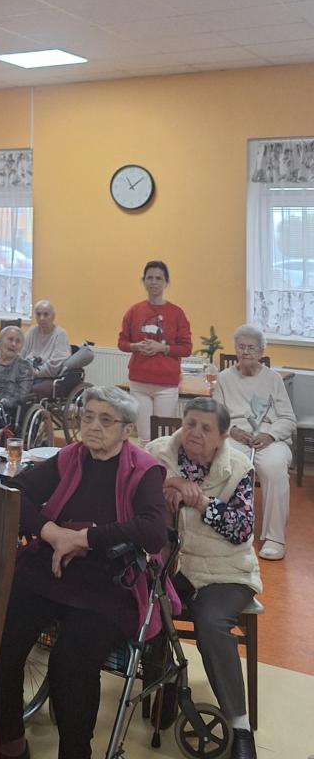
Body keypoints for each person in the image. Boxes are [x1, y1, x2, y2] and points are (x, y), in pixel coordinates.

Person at [0, 386, 168, 759]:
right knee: (0, 638)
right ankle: (10, 742)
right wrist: (52, 533)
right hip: (51, 569)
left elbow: (154, 531)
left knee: (71, 661)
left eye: (106, 420)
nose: (93, 426)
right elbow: (13, 490)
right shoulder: (70, 456)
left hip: (109, 582)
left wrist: (86, 538)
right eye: (87, 417)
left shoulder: (143, 469)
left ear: (127, 430)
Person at [146, 398, 261, 759]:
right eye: (190, 423)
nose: (194, 433)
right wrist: (165, 487)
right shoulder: (156, 454)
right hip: (173, 564)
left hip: (226, 570)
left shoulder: (238, 467)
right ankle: (165, 687)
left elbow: (241, 530)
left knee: (211, 622)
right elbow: (130, 501)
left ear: (223, 436)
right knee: (149, 603)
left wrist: (200, 502)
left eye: (206, 428)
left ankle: (240, 727)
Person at [212, 325, 295, 560]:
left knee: (274, 467)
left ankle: (274, 538)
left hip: (269, 436)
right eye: (241, 347)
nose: (246, 352)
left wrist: (271, 435)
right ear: (235, 349)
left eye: (251, 348)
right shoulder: (224, 378)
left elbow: (288, 418)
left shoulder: (273, 378)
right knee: (225, 464)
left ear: (261, 352)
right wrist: (232, 430)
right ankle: (226, 529)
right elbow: (215, 415)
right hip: (235, 435)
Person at [118, 260, 192, 444]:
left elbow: (186, 348)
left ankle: (161, 464)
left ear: (166, 282)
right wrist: (136, 346)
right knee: (144, 437)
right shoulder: (133, 311)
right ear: (143, 281)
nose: (153, 282)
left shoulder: (177, 313)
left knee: (162, 439)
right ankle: (146, 463)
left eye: (158, 278)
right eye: (149, 278)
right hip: (139, 382)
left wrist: (162, 348)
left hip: (166, 384)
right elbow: (122, 343)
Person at [23, 300, 72, 398]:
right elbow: (21, 352)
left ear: (53, 316)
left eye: (46, 314)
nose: (42, 318)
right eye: (38, 314)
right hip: (28, 372)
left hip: (47, 376)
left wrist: (36, 372)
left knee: (27, 390)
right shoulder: (32, 331)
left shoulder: (60, 334)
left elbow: (56, 364)